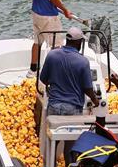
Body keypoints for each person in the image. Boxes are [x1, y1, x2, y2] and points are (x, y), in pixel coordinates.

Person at [39, 27, 99, 159]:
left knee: (52, 143)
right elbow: (87, 88)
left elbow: (43, 79)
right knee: (70, 145)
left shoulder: (52, 55)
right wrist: (95, 100)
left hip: (54, 106)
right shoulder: (83, 62)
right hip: (73, 109)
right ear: (79, 43)